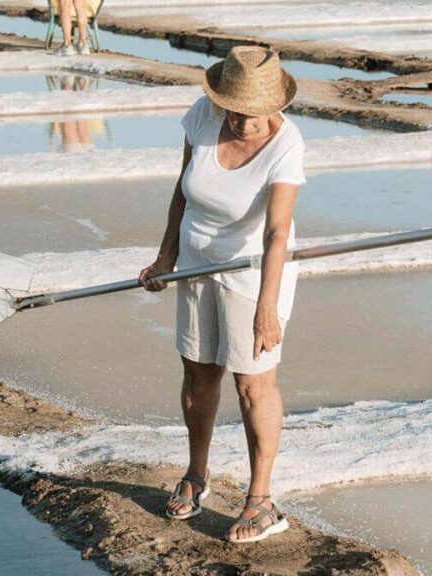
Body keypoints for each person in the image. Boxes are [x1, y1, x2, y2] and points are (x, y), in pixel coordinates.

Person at [138, 46, 304, 544]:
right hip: (194, 263)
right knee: (198, 371)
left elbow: (277, 232)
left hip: (254, 272)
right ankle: (197, 474)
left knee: (253, 383)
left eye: (253, 115)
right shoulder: (203, 116)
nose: (243, 123)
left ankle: (262, 502)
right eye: (235, 110)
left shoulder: (287, 145)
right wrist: (166, 256)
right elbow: (182, 189)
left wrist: (266, 308)